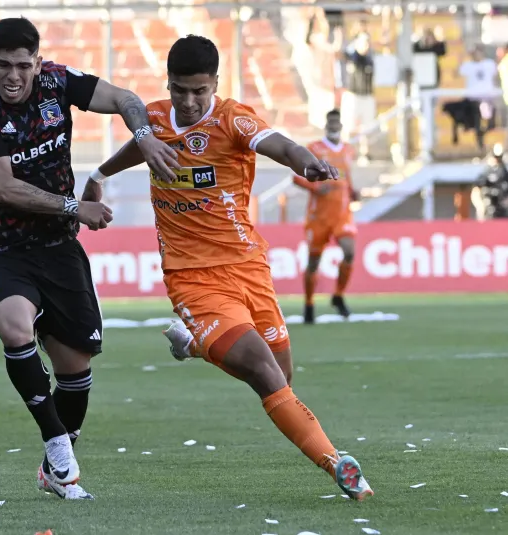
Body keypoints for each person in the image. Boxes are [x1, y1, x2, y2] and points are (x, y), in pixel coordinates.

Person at [83, 35, 374, 501]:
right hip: (192, 278)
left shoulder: (232, 118)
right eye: (180, 90)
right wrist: (99, 176)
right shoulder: (153, 119)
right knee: (262, 372)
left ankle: (196, 342)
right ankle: (337, 463)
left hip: (248, 267)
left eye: (200, 90)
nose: (190, 100)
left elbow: (275, 142)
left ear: (215, 83)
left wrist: (305, 161)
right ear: (169, 84)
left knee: (282, 376)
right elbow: (142, 148)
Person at [0, 17, 179, 501]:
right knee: (16, 327)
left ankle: (54, 467)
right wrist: (78, 207)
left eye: (22, 65)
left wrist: (144, 137)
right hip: (1, 250)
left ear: (37, 62)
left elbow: (125, 99)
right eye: (2, 65)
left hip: (58, 248)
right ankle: (57, 442)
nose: (13, 76)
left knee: (75, 369)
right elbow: (4, 188)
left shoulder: (58, 81)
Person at [292, 109, 358, 324]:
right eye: (330, 121)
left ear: (341, 124)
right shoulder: (314, 148)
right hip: (318, 216)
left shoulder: (349, 149)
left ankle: (338, 296)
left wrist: (353, 189)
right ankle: (309, 304)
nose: (334, 125)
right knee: (314, 262)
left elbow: (347, 176)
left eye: (337, 122)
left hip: (342, 214)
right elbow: (297, 177)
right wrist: (316, 187)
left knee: (349, 252)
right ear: (326, 124)